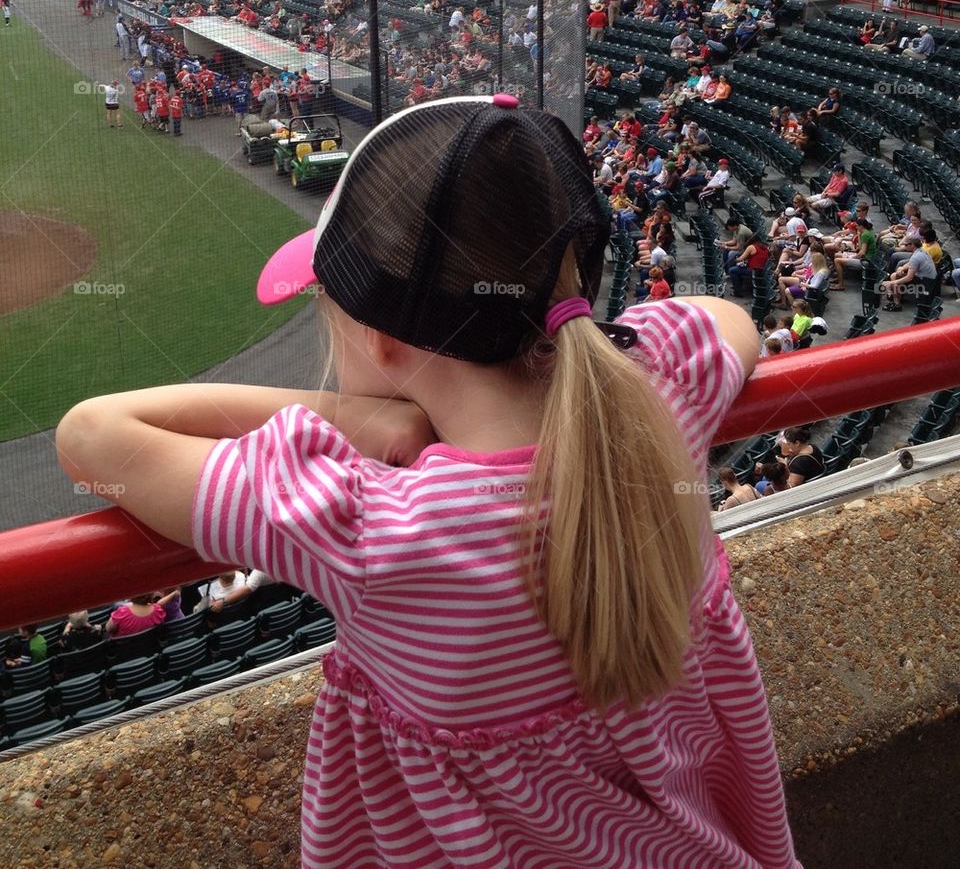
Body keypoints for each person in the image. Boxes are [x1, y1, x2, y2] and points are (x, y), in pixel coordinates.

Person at [56, 94, 800, 869]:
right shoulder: (662, 390)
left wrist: (362, 420)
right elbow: (727, 320)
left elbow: (93, 435)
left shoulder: (370, 525)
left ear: (380, 339)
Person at [106, 590, 180, 638]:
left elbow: (108, 629)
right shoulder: (158, 611)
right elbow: (159, 604)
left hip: (123, 652)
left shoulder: (121, 612)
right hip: (148, 651)